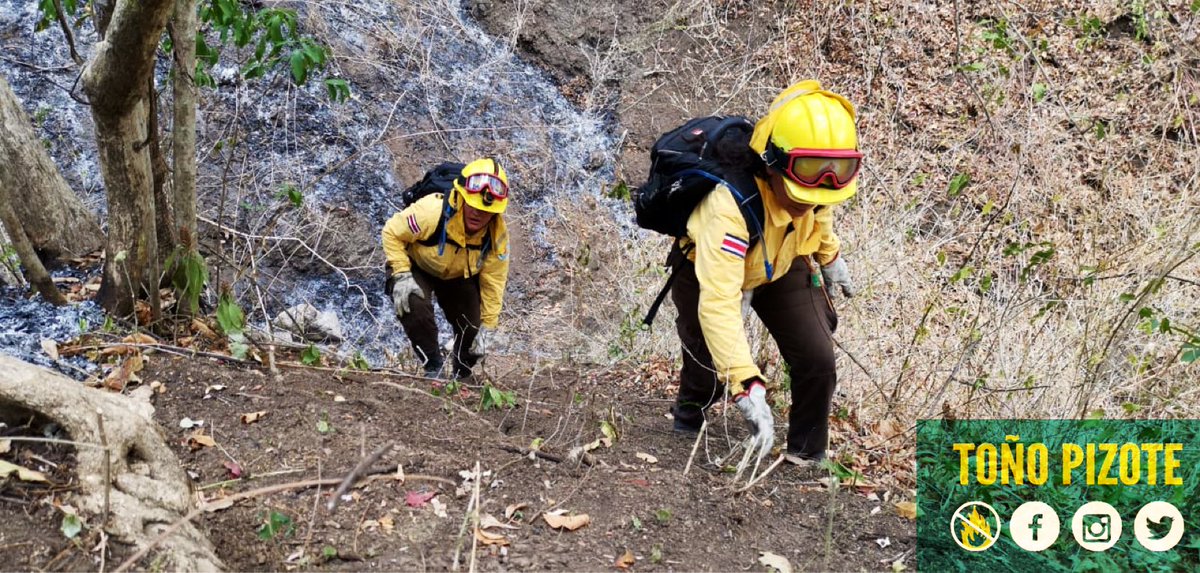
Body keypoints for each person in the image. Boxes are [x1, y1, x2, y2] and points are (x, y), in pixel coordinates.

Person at [669, 80, 860, 464]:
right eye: (799, 194)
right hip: (707, 270)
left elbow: (820, 213)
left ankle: (808, 452)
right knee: (706, 362)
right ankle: (690, 414)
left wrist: (829, 255)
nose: (807, 203)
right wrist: (746, 383)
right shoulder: (726, 207)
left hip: (782, 261)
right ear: (772, 163)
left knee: (817, 357)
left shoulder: (817, 179)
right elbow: (719, 303)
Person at [381, 158, 511, 379]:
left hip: (457, 276)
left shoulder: (496, 236)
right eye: (472, 205)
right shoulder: (431, 211)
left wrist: (489, 327)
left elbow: (494, 281)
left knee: (474, 326)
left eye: (484, 211)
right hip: (417, 265)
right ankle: (433, 366)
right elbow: (392, 231)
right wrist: (401, 273)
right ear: (460, 197)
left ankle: (462, 374)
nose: (477, 214)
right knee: (413, 302)